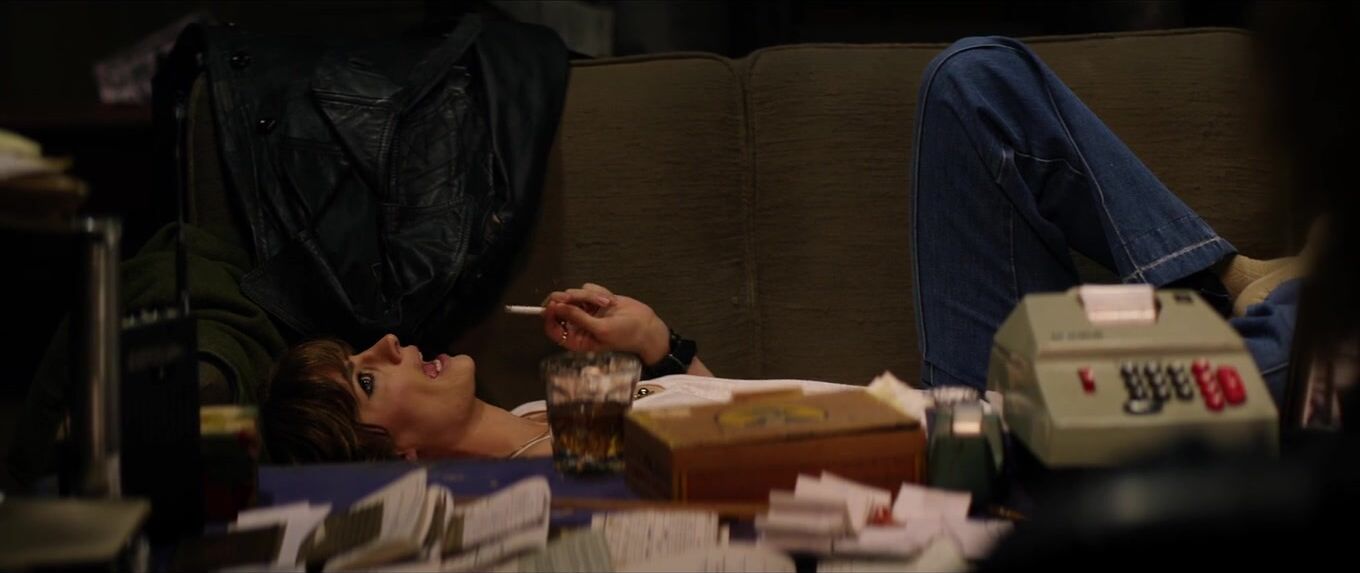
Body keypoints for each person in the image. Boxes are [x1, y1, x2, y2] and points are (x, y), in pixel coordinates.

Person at [910, 35, 1306, 406]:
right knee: (970, 79)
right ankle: (1214, 278)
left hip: (1059, 423)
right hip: (994, 416)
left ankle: (1220, 284)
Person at [262, 283, 867, 463]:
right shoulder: (550, 479)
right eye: (365, 381)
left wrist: (658, 346)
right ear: (399, 456)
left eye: (361, 355)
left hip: (890, 419)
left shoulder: (539, 418)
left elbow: (735, 419)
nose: (388, 343)